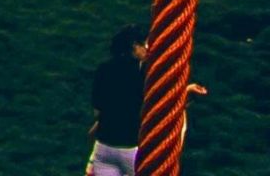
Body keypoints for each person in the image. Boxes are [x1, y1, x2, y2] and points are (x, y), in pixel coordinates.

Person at [85, 22, 200, 175]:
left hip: (104, 148)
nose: (147, 49)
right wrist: (185, 91)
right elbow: (158, 105)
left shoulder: (103, 70)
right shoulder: (141, 75)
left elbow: (97, 111)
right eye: (144, 44)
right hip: (131, 150)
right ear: (134, 46)